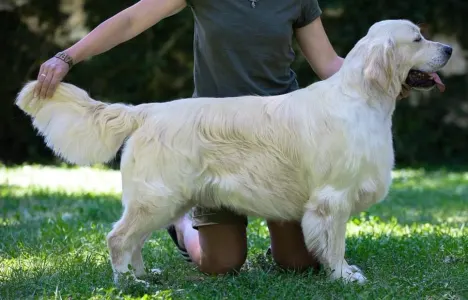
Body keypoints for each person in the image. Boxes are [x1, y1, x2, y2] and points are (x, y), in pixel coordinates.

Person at [34, 0, 411, 275]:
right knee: (220, 264)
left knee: (298, 263)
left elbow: (329, 65)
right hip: (209, 135)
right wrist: (68, 56)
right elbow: (133, 19)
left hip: (285, 136)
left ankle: (264, 235)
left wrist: (387, 76)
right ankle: (178, 220)